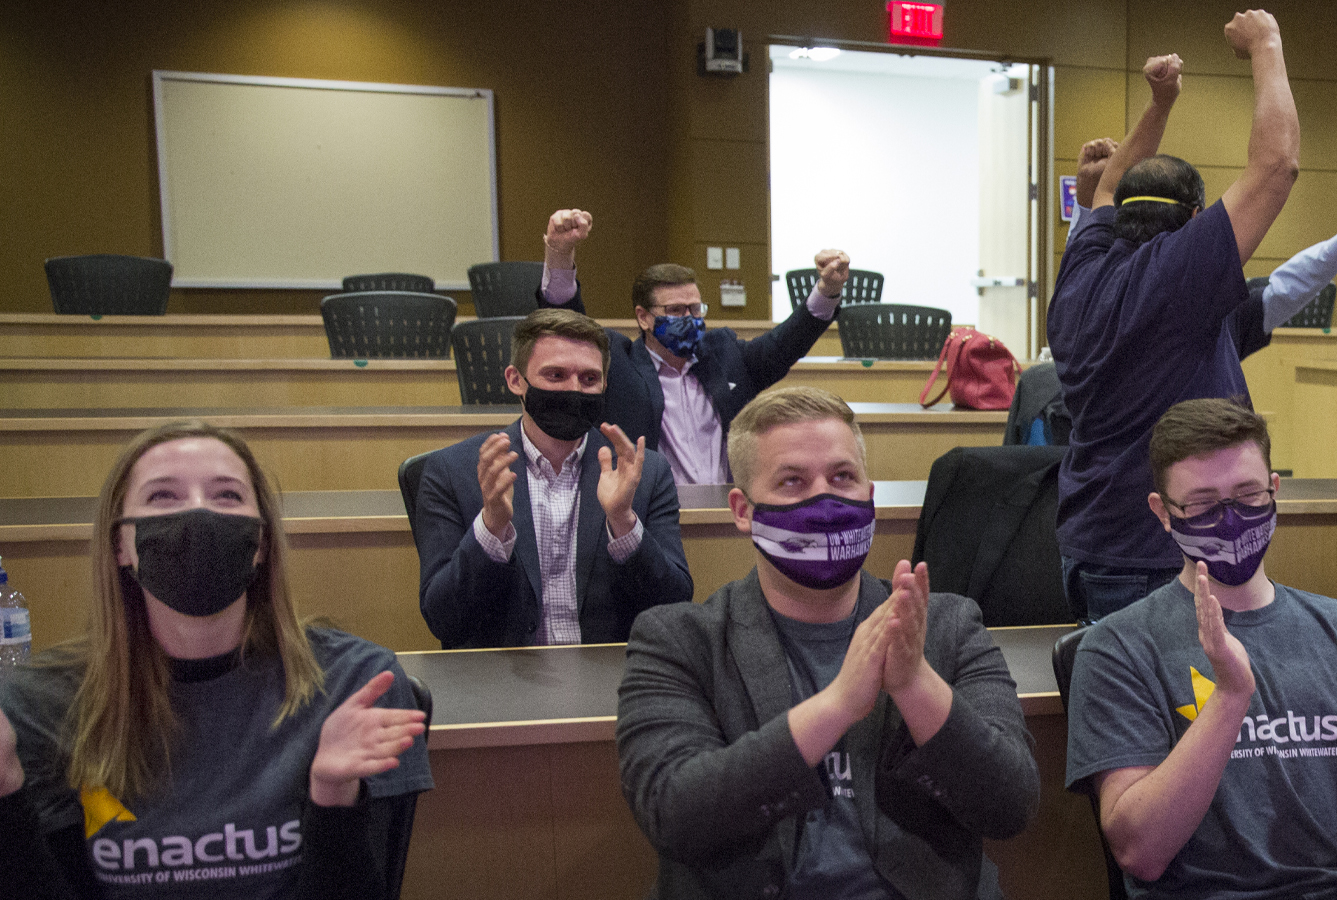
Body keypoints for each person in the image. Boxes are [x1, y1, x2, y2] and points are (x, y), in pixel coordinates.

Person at [615, 386, 1039, 899]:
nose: (826, 500)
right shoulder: (678, 640)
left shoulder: (948, 625)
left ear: (870, 496)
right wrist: (837, 706)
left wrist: (915, 685)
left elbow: (1011, 805)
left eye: (842, 477)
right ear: (743, 510)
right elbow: (674, 814)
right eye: (792, 482)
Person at [0, 421, 431, 899]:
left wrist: (332, 798)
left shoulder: (355, 683)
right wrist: (6, 791)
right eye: (163, 496)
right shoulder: (39, 706)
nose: (198, 515)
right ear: (120, 545)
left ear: (261, 543)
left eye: (227, 496)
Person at [1065, 398, 1337, 899]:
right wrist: (1229, 697)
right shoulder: (1117, 647)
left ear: (1275, 491)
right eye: (1202, 504)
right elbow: (1141, 852)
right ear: (1162, 512)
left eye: (1248, 494)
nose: (1230, 520)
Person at [1050, 10, 1304, 621]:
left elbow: (1107, 186)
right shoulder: (1179, 277)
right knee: (1175, 716)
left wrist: (1161, 103)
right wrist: (1266, 43)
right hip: (1158, 560)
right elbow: (1276, 166)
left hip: (1095, 540)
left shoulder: (1082, 263)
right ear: (1196, 221)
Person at [414, 308, 693, 648]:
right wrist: (491, 528)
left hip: (608, 678)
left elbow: (674, 607)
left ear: (605, 384)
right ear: (516, 380)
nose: (573, 390)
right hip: (501, 679)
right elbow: (442, 618)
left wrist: (623, 523)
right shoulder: (452, 470)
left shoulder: (645, 472)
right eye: (555, 375)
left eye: (589, 379)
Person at [535, 207, 847, 485]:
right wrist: (560, 254)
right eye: (675, 311)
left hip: (728, 509)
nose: (689, 318)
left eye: (695, 309)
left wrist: (828, 289)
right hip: (650, 514)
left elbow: (785, 344)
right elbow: (565, 324)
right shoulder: (618, 364)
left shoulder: (725, 355)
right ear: (643, 318)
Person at [1070, 137, 1337, 333]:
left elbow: (1082, 259)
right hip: (1199, 439)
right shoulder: (1214, 302)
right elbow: (1291, 286)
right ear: (1196, 219)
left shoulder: (1094, 300)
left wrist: (1089, 193)